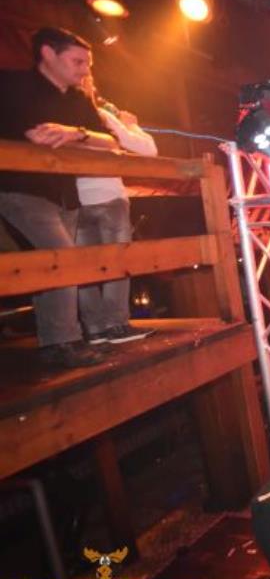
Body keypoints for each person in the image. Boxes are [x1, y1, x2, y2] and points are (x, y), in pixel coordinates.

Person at [0, 27, 119, 368]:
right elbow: (33, 135)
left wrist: (76, 133)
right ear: (48, 54)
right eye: (78, 61)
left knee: (55, 264)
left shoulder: (78, 100)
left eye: (87, 63)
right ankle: (62, 342)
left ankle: (57, 343)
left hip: (65, 194)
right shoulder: (12, 85)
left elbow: (110, 142)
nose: (85, 70)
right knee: (64, 259)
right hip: (20, 188)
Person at [75, 74, 156, 344]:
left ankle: (94, 329)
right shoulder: (100, 115)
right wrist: (132, 125)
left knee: (83, 268)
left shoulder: (58, 117)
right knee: (118, 263)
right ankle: (116, 325)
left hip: (74, 201)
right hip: (109, 197)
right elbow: (148, 149)